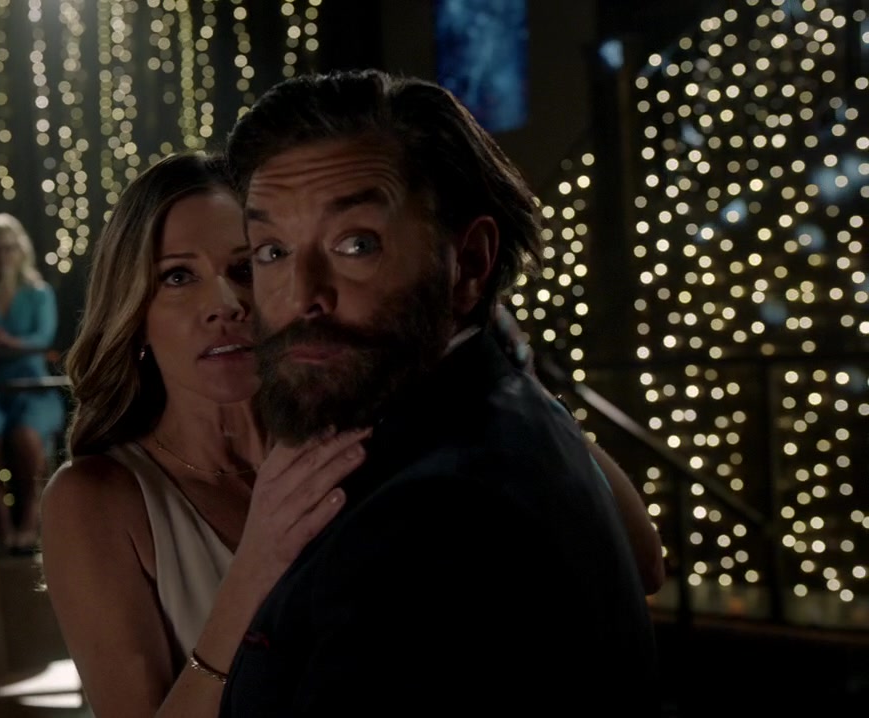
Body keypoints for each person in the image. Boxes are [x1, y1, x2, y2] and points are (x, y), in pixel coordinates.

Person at [216, 69, 659, 716]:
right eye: (271, 251)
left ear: (469, 263)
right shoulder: (500, 408)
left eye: (356, 244)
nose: (301, 295)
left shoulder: (430, 517)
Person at [40, 153, 370, 718]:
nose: (224, 305)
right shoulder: (94, 500)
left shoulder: (352, 447)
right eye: (177, 276)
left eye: (245, 269)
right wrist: (255, 567)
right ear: (135, 313)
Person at [0, 213, 64, 551]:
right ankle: (2, 524)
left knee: (26, 435)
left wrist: (7, 342)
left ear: (20, 251)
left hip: (33, 390)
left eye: (8, 248)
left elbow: (43, 338)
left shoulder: (38, 293)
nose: (2, 256)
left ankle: (30, 521)